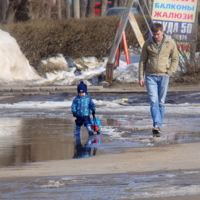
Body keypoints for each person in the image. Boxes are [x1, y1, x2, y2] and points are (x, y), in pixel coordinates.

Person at [139, 22, 179, 134]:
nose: (155, 36)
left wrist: (169, 72)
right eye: (153, 34)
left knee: (161, 102)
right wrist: (141, 77)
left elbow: (175, 59)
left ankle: (159, 126)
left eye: (157, 34)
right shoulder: (148, 43)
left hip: (163, 76)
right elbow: (142, 61)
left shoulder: (170, 43)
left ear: (162, 32)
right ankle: (156, 124)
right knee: (153, 101)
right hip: (150, 76)